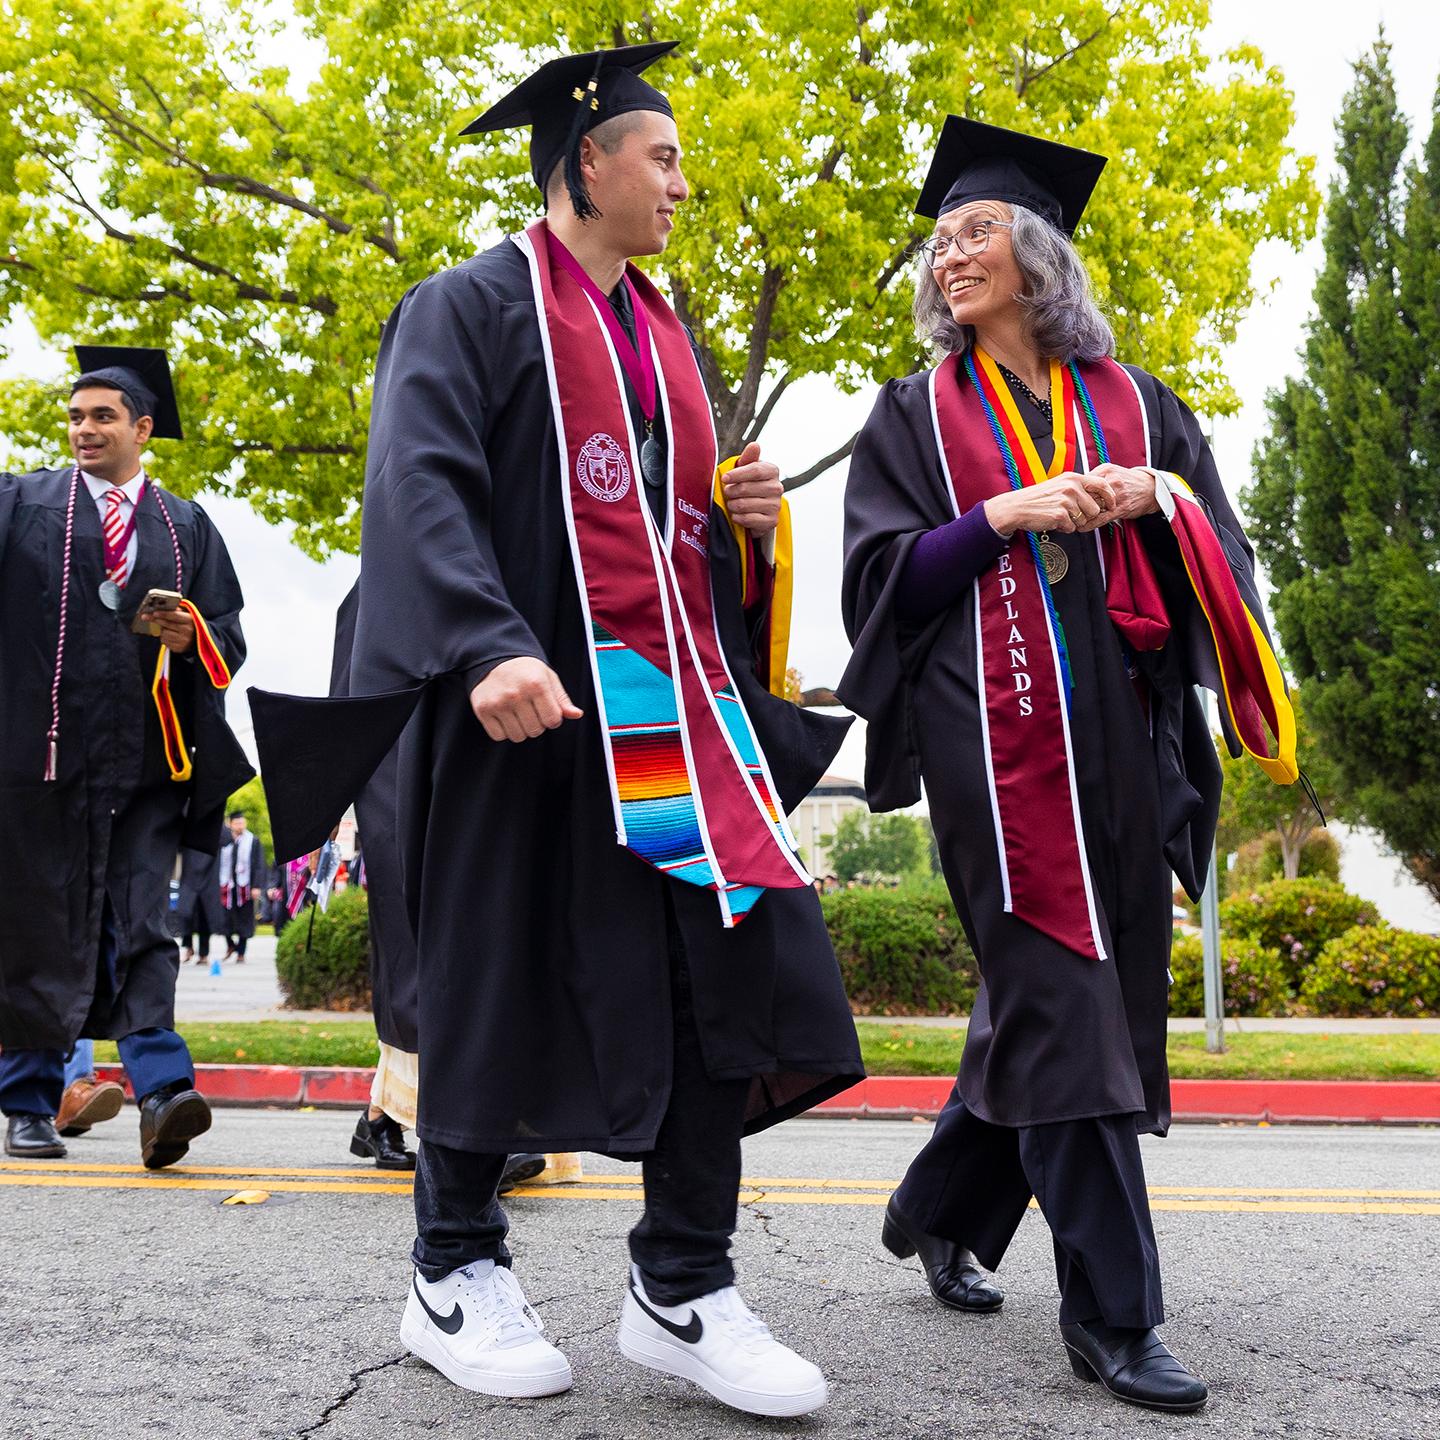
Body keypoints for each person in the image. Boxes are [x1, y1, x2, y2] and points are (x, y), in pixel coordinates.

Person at [252, 42, 862, 1419]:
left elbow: (664, 550)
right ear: (587, 161)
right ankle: (451, 1272)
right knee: (497, 984)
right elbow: (417, 488)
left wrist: (744, 532)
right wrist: (483, 641)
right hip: (513, 726)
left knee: (720, 971)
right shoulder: (464, 307)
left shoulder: (663, 340)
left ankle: (685, 1283)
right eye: (664, 156)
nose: (682, 185)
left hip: (664, 726)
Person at [839, 117, 1298, 1416]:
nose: (949, 258)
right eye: (939, 244)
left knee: (1067, 1007)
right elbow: (882, 580)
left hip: (1126, 750)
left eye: (973, 232)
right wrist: (999, 516)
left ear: (1038, 259)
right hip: (995, 754)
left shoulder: (1136, 404)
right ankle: (1115, 1316)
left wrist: (1158, 495)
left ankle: (942, 1207)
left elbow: (1216, 551)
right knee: (1061, 1003)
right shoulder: (913, 416)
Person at [0, 346, 252, 1167]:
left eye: (102, 416)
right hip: (45, 764)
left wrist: (194, 638)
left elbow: (230, 636)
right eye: (75, 416)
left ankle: (162, 1095)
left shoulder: (185, 527)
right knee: (44, 920)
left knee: (146, 921)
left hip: (149, 763)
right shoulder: (24, 504)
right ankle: (30, 1100)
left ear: (143, 428)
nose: (83, 429)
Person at [177, 821, 229, 964]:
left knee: (204, 918)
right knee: (185, 913)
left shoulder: (215, 828)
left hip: (208, 879)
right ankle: (188, 946)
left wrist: (219, 818)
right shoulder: (188, 827)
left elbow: (227, 839)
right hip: (189, 878)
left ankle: (203, 954)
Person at [219, 810, 265, 961]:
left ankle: (241, 953)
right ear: (230, 824)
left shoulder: (253, 840)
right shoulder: (224, 841)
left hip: (245, 887)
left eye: (242, 822)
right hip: (227, 886)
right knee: (224, 918)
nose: (240, 825)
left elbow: (259, 864)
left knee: (244, 919)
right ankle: (231, 944)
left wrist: (256, 886)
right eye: (237, 823)